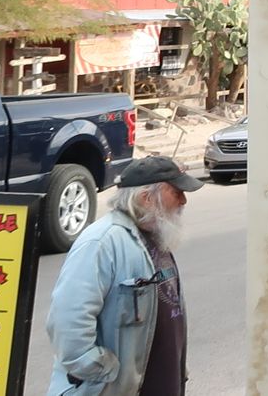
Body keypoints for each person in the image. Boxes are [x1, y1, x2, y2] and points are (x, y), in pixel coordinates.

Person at [47, 156, 201, 395]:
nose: (184, 200)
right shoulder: (102, 242)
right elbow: (68, 322)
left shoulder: (157, 235)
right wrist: (105, 374)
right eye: (177, 192)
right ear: (147, 199)